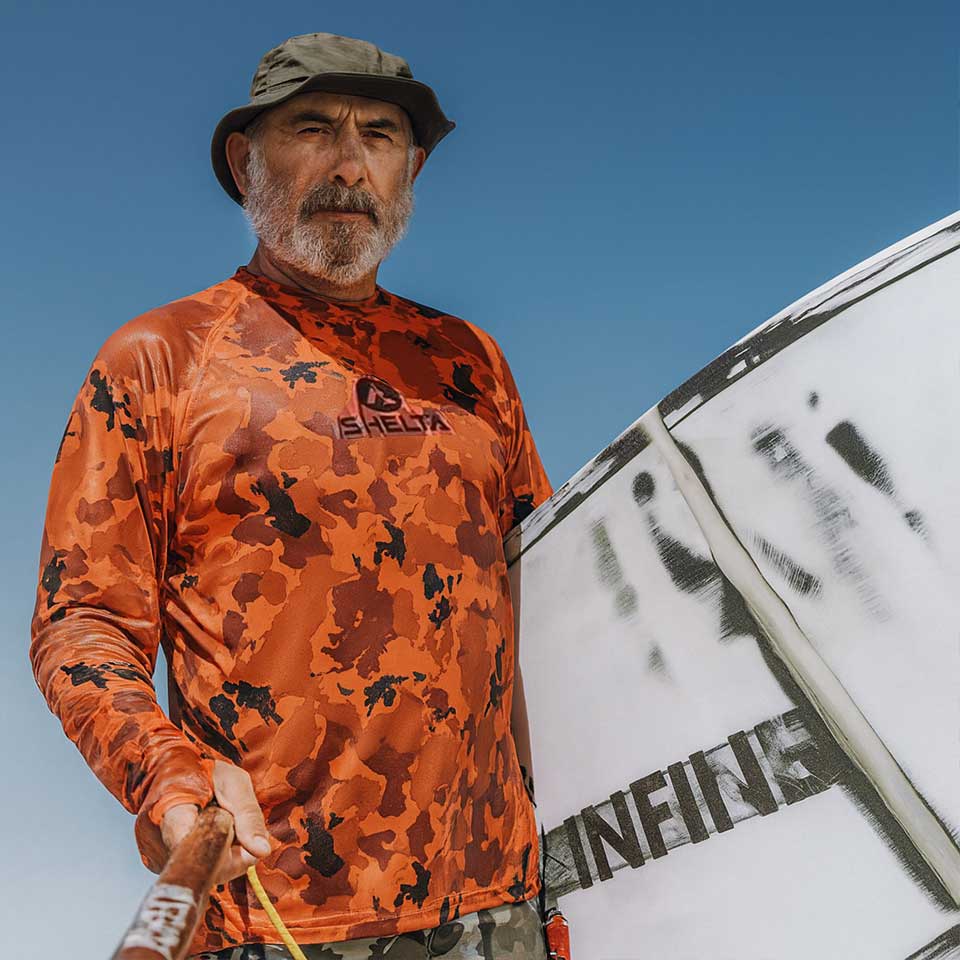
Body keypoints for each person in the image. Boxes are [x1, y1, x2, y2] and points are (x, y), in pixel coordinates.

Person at [29, 31, 553, 960]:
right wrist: (166, 774)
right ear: (245, 160)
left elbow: (541, 598)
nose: (349, 164)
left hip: (495, 904)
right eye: (313, 128)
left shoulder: (471, 363)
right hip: (276, 917)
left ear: (413, 167)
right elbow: (81, 623)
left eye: (380, 136)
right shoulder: (161, 359)